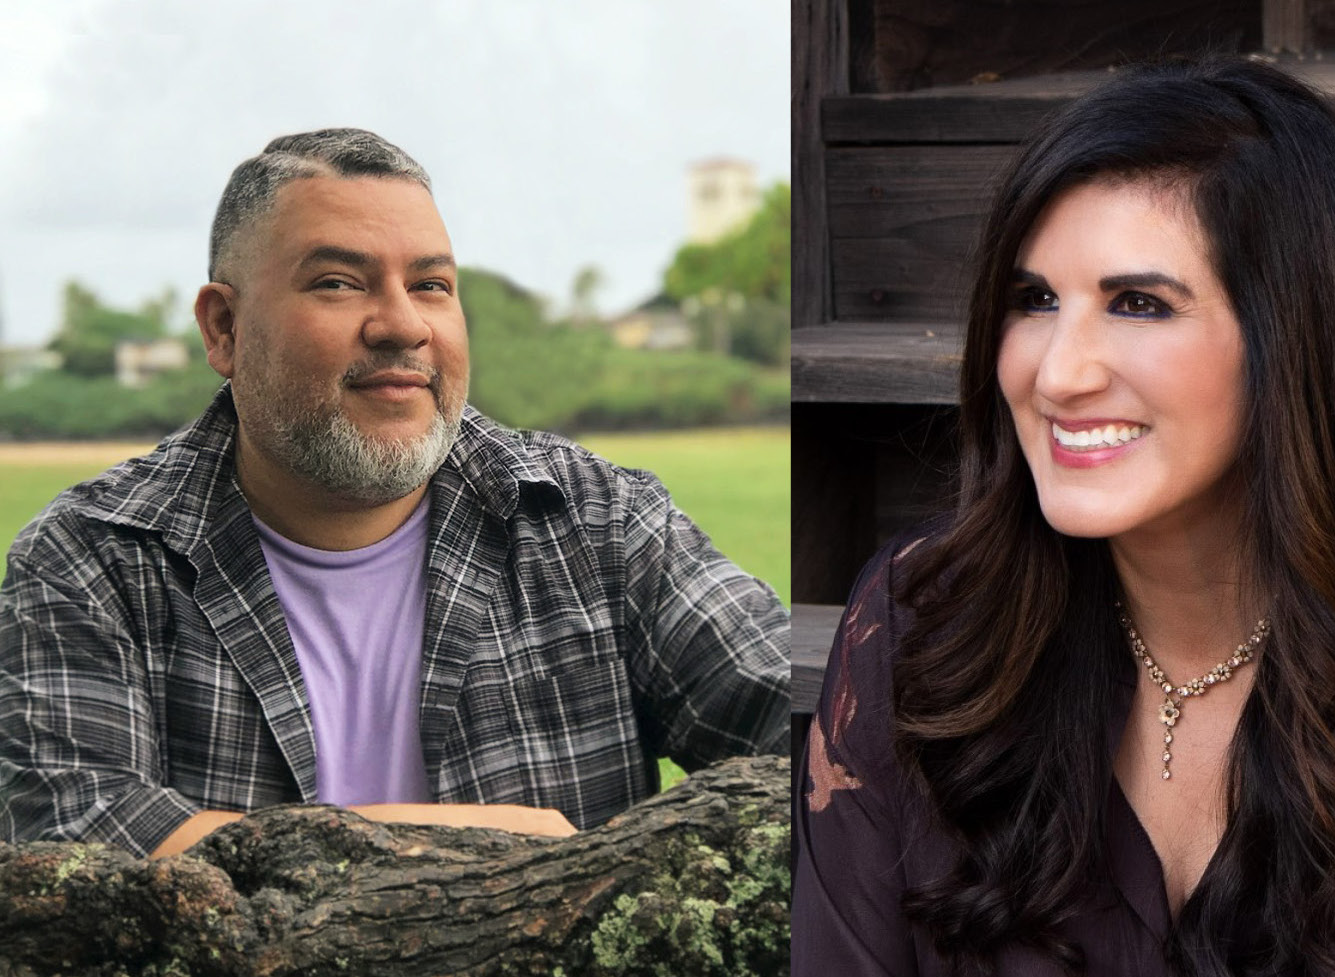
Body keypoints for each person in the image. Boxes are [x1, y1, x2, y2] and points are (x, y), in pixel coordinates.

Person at [791, 57, 1335, 976]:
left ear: (1294, 338)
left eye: (1138, 304)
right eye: (1034, 300)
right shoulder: (919, 624)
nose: (1057, 374)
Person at [0, 129, 801, 859]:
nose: (402, 325)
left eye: (430, 285)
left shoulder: (598, 525)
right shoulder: (91, 560)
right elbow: (72, 839)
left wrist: (222, 848)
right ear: (223, 330)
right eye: (340, 283)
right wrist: (520, 849)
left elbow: (812, 744)